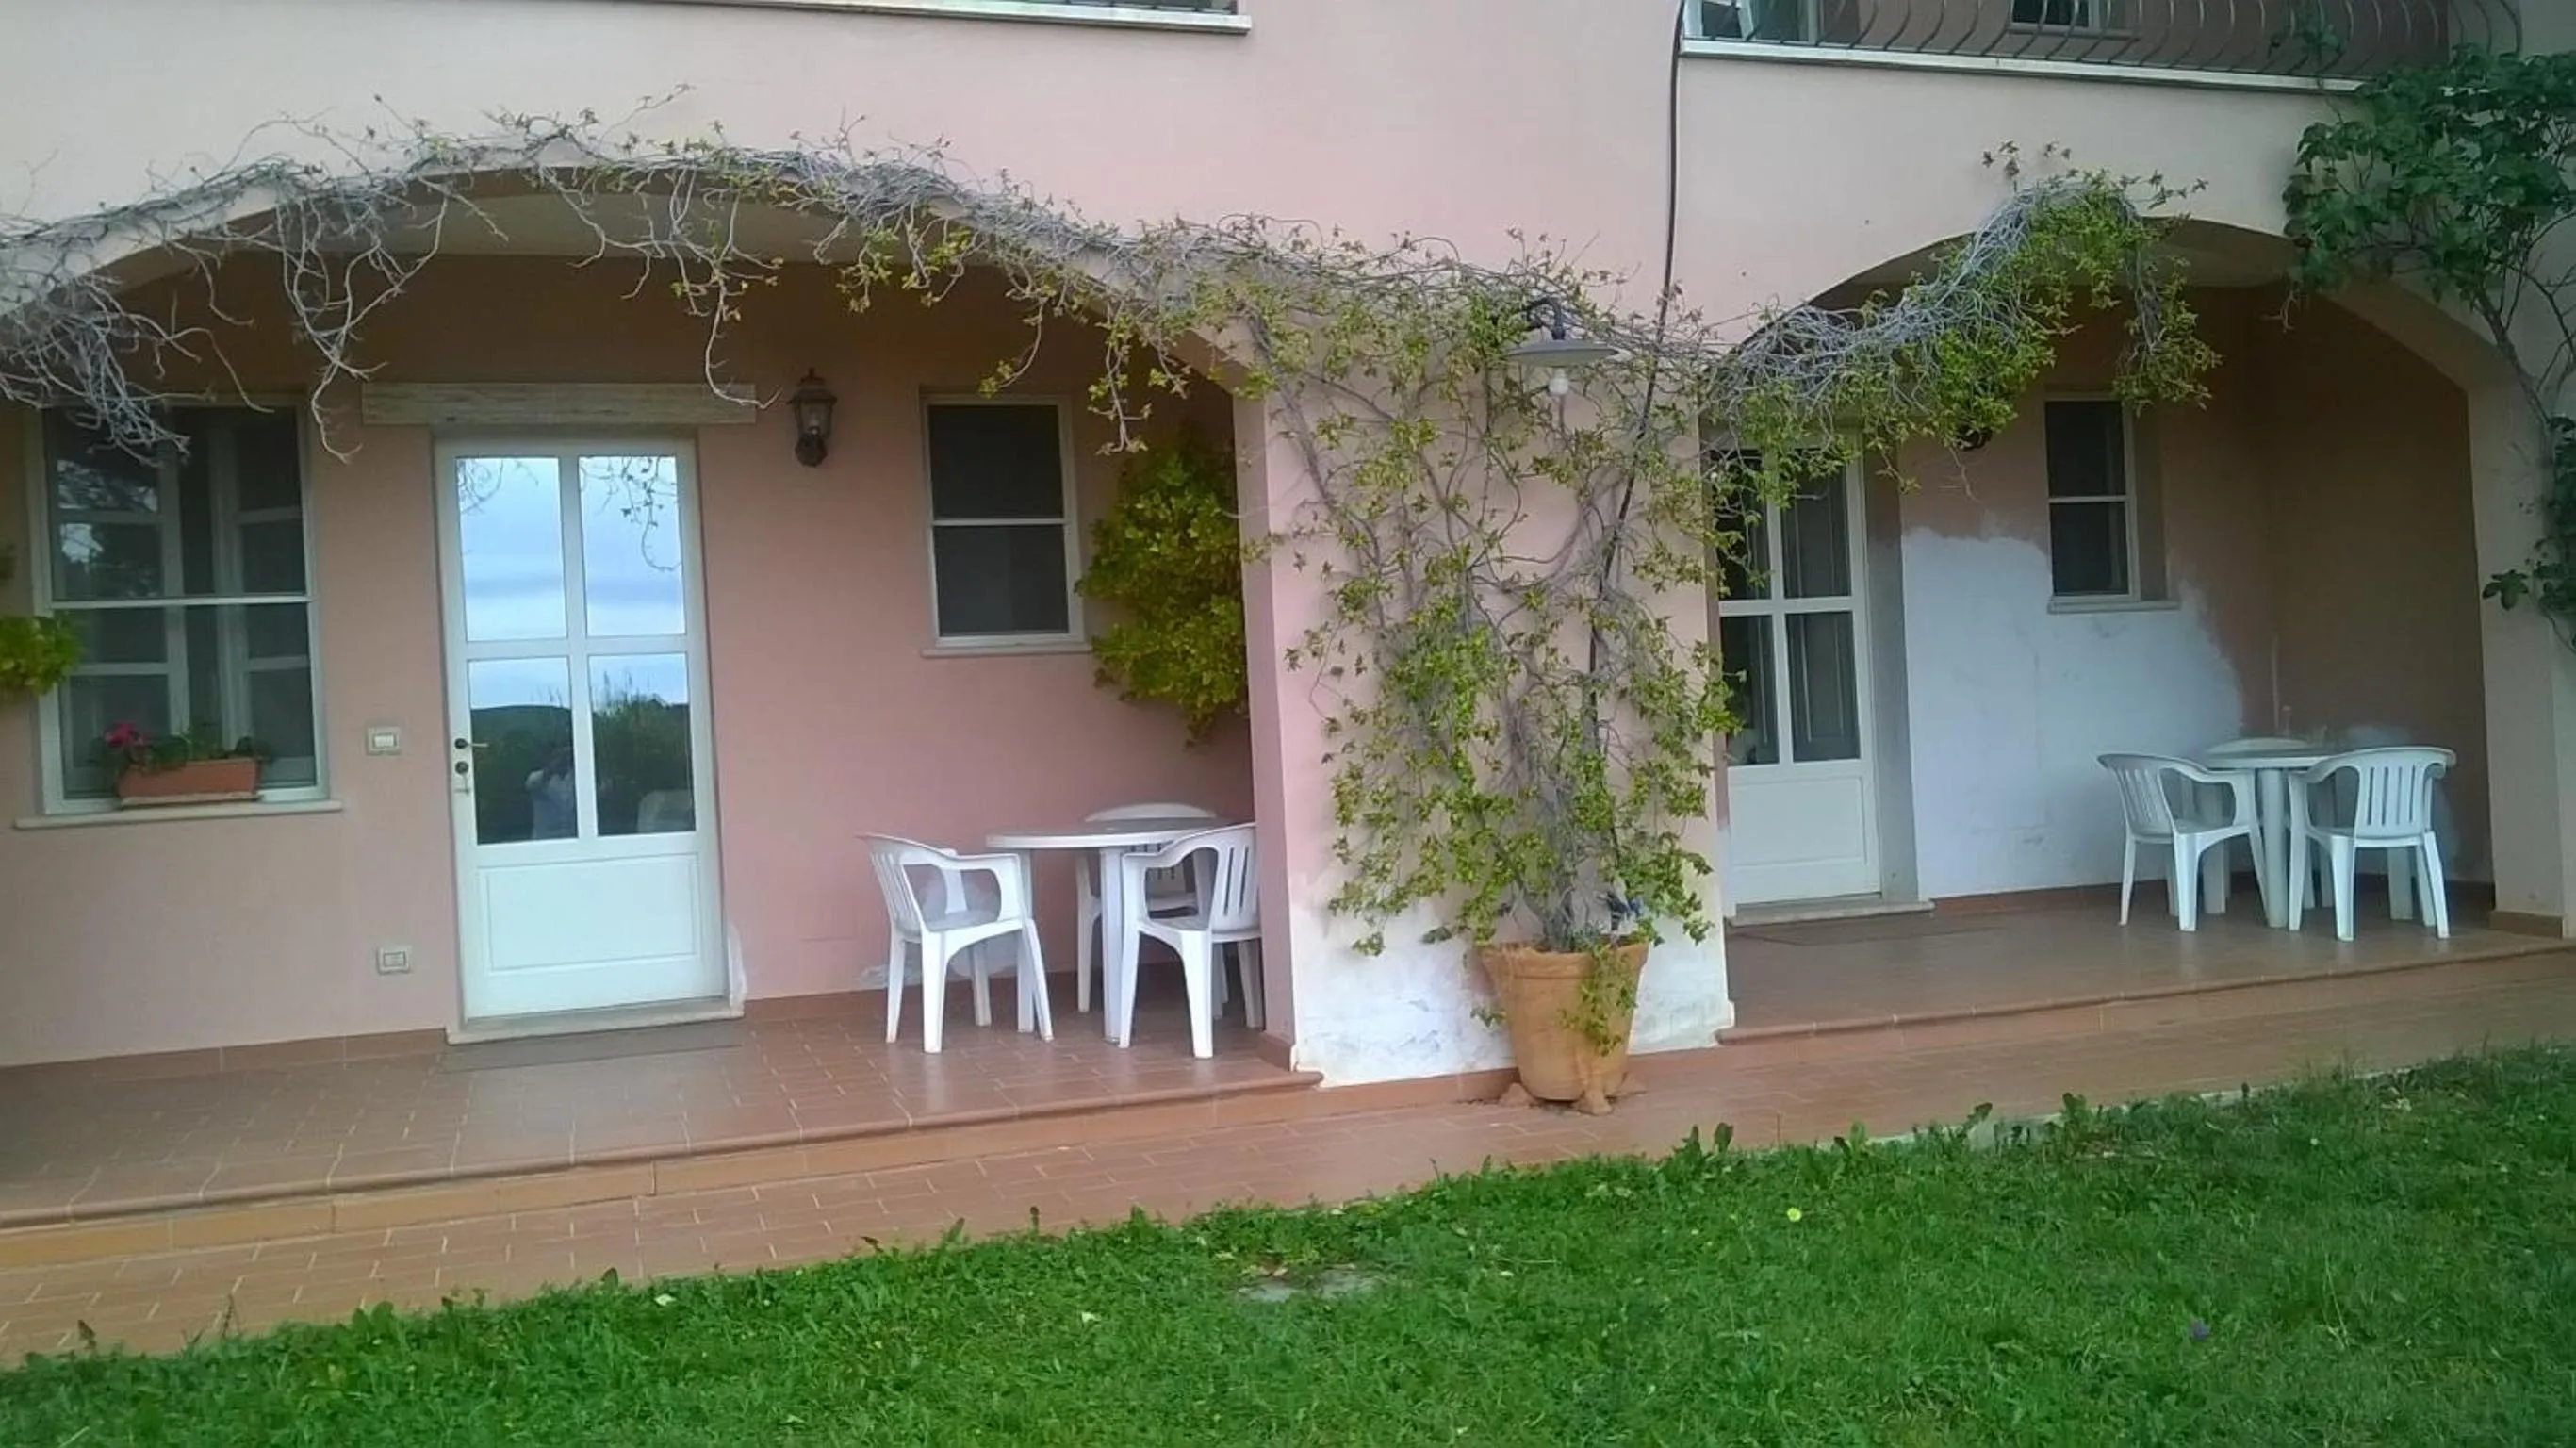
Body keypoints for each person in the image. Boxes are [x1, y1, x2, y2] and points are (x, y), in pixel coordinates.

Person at [527, 746, 577, 840]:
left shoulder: (576, 778)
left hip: (570, 837)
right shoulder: (536, 777)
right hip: (544, 838)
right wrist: (551, 769)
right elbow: (532, 785)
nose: (563, 761)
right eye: (558, 757)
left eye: (567, 757)